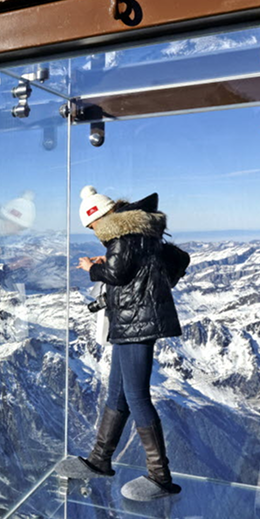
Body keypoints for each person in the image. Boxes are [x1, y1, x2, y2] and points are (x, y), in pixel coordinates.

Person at [74, 185, 189, 501]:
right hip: (130, 324)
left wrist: (91, 267)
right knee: (118, 393)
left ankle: (160, 476)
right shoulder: (137, 233)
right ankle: (99, 459)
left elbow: (117, 275)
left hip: (137, 324)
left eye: (92, 225)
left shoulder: (122, 238)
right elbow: (160, 261)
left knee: (137, 397)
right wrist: (112, 258)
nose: (94, 231)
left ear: (101, 217)